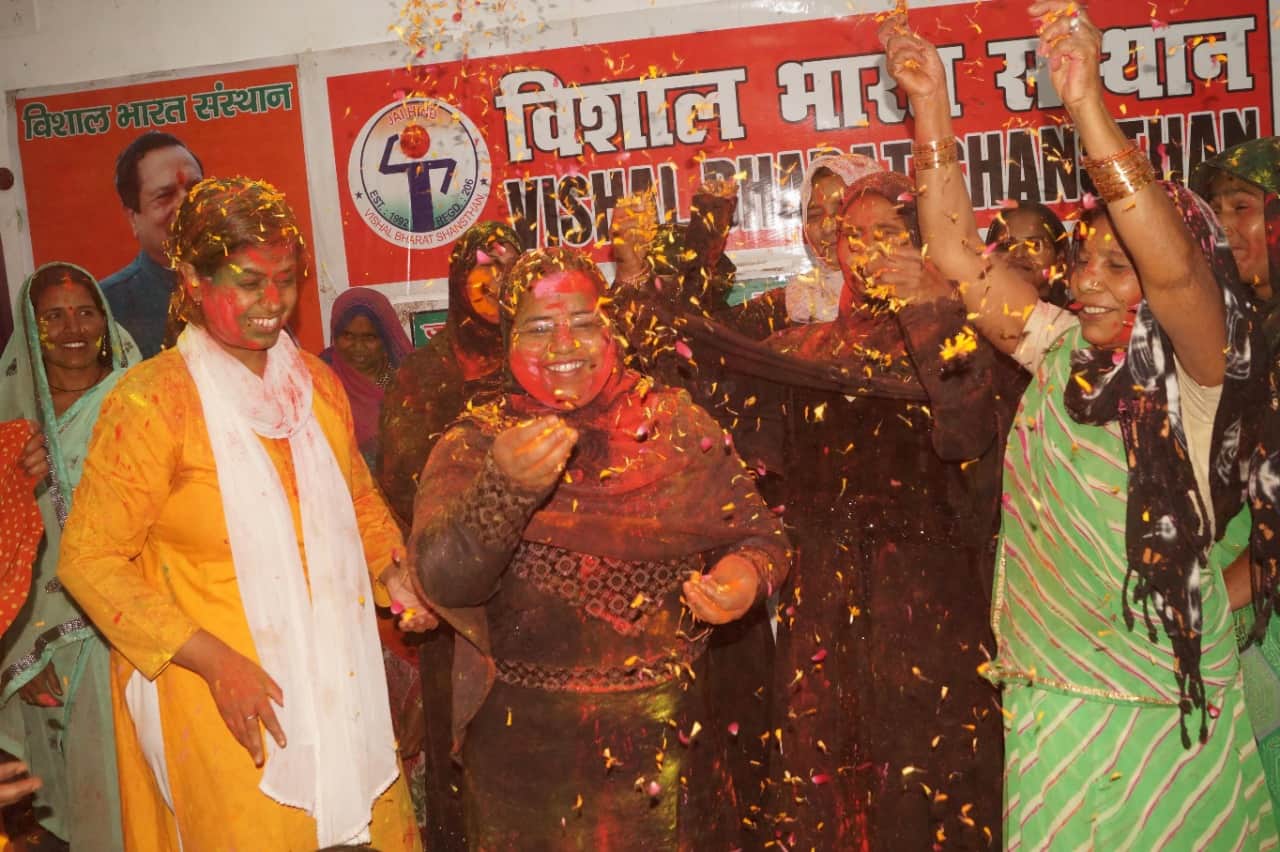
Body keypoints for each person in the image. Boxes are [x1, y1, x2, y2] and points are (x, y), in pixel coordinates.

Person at [882, 5, 1272, 845]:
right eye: (1082, 260)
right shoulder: (1059, 350)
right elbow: (953, 253)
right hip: (1053, 707)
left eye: (1113, 265)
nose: (1085, 281)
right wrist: (932, 107)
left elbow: (1170, 276)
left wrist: (1087, 103)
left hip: (1165, 717)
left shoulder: (1205, 377)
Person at [57, 177, 431, 850]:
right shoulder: (151, 403)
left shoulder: (315, 385)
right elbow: (89, 560)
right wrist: (212, 661)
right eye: (247, 282)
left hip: (337, 684)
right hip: (218, 701)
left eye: (285, 280)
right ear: (193, 280)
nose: (273, 303)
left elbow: (361, 508)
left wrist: (395, 574)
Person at [408, 247, 790, 850]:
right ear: (506, 340)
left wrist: (742, 576)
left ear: (612, 332)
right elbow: (443, 583)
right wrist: (501, 491)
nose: (564, 345)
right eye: (538, 327)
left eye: (583, 322)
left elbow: (762, 535)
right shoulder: (478, 443)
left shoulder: (676, 427)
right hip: (525, 765)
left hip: (669, 760)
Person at [759, 168, 1005, 849]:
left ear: (924, 244)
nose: (867, 252)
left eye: (889, 235)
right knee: (826, 785)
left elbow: (965, 429)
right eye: (853, 236)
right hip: (823, 611)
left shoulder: (964, 336)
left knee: (926, 783)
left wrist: (929, 311)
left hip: (928, 612)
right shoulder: (803, 349)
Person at [376, 220, 520, 850]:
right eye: (480, 268)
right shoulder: (424, 376)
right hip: (453, 596)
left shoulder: (545, 354)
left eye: (510, 265)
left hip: (537, 596)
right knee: (463, 749)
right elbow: (406, 494)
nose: (495, 280)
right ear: (459, 284)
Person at [0, 263, 139, 850]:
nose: (72, 328)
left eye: (85, 311)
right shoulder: (9, 419)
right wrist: (21, 658)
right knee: (83, 810)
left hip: (142, 633)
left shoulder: (142, 396)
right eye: (52, 316)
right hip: (47, 645)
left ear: (106, 321)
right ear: (30, 329)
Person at [1193, 137, 1280, 821]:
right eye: (1216, 210)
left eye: (1243, 207)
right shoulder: (1240, 332)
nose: (1225, 228)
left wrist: (1215, 602)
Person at [100, 132, 204, 359]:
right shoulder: (104, 308)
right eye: (165, 196)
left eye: (195, 189)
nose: (185, 204)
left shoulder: (246, 284)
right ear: (133, 219)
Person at [785, 152, 884, 323]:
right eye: (815, 215)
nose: (827, 226)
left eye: (841, 209)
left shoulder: (908, 292)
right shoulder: (802, 295)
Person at [321, 288, 412, 471]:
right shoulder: (321, 380)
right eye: (348, 336)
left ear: (386, 339)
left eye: (369, 338)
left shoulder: (403, 378)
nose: (358, 347)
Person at [984, 200, 1070, 306]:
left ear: (1059, 259)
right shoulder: (971, 317)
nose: (1019, 254)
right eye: (1006, 245)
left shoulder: (1082, 320)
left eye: (1034, 245)